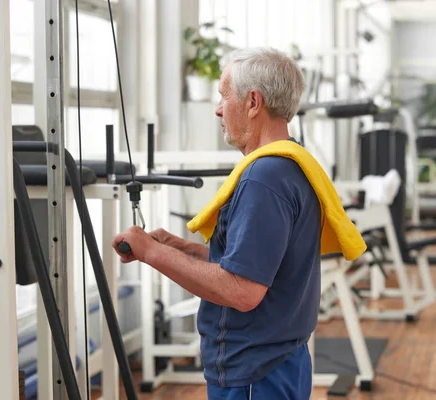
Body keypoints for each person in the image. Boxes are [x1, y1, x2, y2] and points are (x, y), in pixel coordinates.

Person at [113, 47, 363, 399]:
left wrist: (152, 253)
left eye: (223, 95)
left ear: (253, 102)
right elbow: (256, 266)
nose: (217, 108)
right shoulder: (290, 164)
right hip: (277, 362)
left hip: (255, 371)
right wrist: (182, 249)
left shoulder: (264, 179)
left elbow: (242, 291)